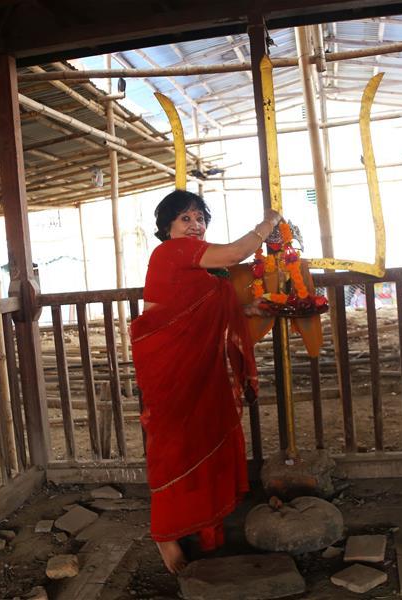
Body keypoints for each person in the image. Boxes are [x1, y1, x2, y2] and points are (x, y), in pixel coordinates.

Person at [130, 190, 282, 574]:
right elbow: (235, 254)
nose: (195, 224)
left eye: (200, 217)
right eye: (185, 218)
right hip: (173, 368)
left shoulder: (204, 267)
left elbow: (211, 308)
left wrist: (247, 309)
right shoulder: (172, 252)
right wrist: (268, 224)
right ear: (167, 228)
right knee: (175, 447)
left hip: (202, 370)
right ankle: (166, 538)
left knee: (204, 440)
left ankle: (206, 529)